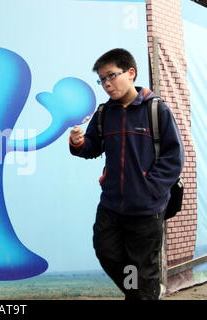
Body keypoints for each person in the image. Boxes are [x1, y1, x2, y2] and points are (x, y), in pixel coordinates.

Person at [69, 48, 184, 300]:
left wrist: (149, 189)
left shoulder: (156, 110)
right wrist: (78, 143)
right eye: (102, 80)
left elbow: (174, 158)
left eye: (111, 76)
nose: (107, 84)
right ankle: (140, 292)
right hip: (112, 204)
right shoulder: (104, 113)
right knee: (107, 251)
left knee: (142, 266)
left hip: (145, 208)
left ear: (131, 73)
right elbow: (92, 147)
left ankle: (142, 292)